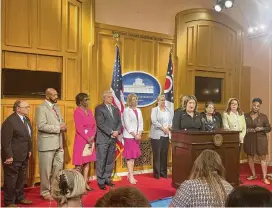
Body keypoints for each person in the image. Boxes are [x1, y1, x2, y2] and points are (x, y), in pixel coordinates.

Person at [36, 88, 67, 200]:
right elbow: (41, 125)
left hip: (59, 144)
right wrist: (58, 128)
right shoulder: (41, 108)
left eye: (56, 94)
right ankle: (45, 192)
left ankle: (54, 190)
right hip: (47, 144)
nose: (56, 96)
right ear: (47, 96)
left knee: (57, 169)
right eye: (54, 95)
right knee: (46, 170)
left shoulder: (57, 108)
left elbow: (60, 122)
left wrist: (63, 126)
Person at [1, 100, 33, 207]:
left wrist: (29, 150)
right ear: (18, 108)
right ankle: (9, 202)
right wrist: (8, 156)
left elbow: (28, 137)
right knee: (11, 179)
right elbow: (5, 141)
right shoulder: (10, 121)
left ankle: (20, 197)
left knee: (21, 178)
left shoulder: (26, 119)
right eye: (26, 107)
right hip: (13, 156)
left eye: (28, 107)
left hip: (24, 155)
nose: (28, 108)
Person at [95, 90, 122, 190]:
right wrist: (111, 132)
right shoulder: (99, 108)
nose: (111, 98)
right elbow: (100, 123)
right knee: (101, 160)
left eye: (112, 97)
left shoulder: (115, 109)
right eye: (109, 97)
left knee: (110, 160)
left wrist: (117, 131)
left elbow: (119, 122)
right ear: (104, 98)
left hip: (113, 139)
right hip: (103, 138)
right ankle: (100, 180)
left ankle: (107, 178)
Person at [243, 98, 271, 185]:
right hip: (249, 139)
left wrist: (261, 128)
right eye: (254, 105)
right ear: (252, 104)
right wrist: (247, 130)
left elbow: (269, 128)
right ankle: (253, 175)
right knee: (250, 156)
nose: (256, 107)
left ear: (259, 107)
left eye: (258, 106)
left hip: (261, 139)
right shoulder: (245, 116)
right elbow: (242, 127)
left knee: (262, 157)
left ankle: (264, 177)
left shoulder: (263, 117)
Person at [73, 93, 96, 191]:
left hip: (91, 139)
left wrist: (93, 136)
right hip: (81, 140)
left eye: (88, 99)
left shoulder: (90, 111)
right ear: (80, 101)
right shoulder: (77, 111)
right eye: (86, 100)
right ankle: (78, 186)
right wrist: (87, 138)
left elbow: (94, 125)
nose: (88, 101)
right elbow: (79, 127)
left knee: (87, 162)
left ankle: (85, 183)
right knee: (79, 164)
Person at [149, 95, 173, 179]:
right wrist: (163, 129)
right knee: (157, 154)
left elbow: (171, 121)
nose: (163, 102)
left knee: (164, 154)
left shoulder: (168, 110)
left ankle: (163, 173)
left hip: (166, 135)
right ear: (157, 101)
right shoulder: (155, 110)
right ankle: (157, 174)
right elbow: (154, 121)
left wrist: (169, 127)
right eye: (161, 100)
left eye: (164, 100)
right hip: (156, 135)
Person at [123, 93, 144, 184]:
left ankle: (129, 174)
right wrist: (134, 135)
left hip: (137, 136)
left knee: (133, 156)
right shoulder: (126, 110)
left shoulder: (139, 110)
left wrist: (139, 133)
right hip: (129, 136)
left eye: (136, 99)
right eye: (133, 99)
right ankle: (131, 176)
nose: (135, 101)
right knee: (130, 157)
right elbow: (127, 124)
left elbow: (141, 123)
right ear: (129, 101)